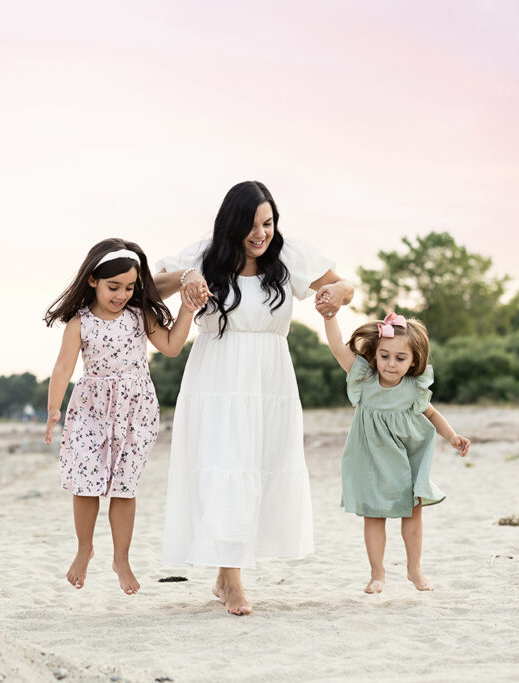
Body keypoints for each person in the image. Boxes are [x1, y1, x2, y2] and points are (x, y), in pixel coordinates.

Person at [155, 180, 353, 615]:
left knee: (257, 468)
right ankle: (231, 579)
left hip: (270, 380)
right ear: (231, 224)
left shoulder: (288, 256)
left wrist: (339, 291)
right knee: (228, 467)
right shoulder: (203, 256)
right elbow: (151, 289)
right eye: (251, 224)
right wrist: (188, 276)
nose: (261, 233)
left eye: (268, 222)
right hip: (217, 379)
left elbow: (344, 287)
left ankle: (227, 575)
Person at [44, 238, 200, 595]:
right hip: (90, 410)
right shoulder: (78, 323)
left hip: (135, 410)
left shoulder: (138, 316)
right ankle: (84, 549)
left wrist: (187, 311)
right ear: (93, 281)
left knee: (123, 488)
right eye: (114, 287)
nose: (122, 295)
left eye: (130, 287)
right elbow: (63, 367)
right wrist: (54, 407)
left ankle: (121, 558)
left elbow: (172, 347)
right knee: (85, 485)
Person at [322, 309, 471, 593]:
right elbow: (337, 346)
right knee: (374, 516)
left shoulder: (414, 388)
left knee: (412, 514)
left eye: (400, 358)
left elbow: (432, 414)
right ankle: (377, 574)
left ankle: (414, 569)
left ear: (414, 360)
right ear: (375, 354)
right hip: (371, 458)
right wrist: (329, 316)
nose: (391, 364)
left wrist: (451, 436)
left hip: (406, 457)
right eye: (384, 356)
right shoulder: (364, 379)